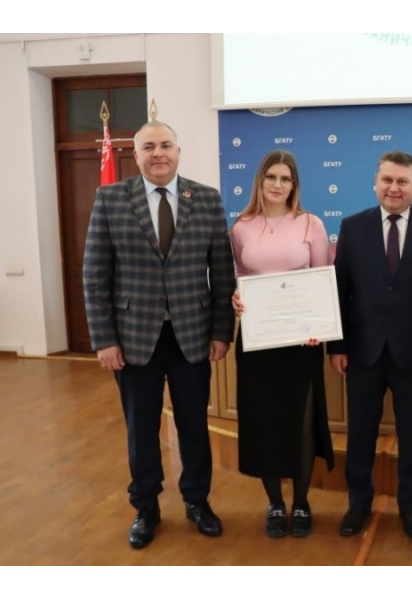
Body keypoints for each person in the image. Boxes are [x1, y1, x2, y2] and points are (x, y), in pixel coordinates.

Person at [83, 120, 236, 549]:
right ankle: (146, 506)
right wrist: (104, 339)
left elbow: (222, 272)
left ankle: (197, 501)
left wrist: (221, 331)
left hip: (193, 335)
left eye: (165, 145)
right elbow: (95, 275)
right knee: (141, 428)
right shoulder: (111, 199)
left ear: (178, 151)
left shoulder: (206, 199)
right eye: (148, 147)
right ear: (136, 155)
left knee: (194, 426)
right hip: (133, 338)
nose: (158, 153)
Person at [328, 150, 412, 540]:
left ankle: (410, 506)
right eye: (387, 180)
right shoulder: (352, 227)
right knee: (360, 434)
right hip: (363, 351)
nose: (394, 188)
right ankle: (358, 504)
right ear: (375, 183)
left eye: (402, 181)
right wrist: (337, 346)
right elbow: (340, 291)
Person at [230, 150, 335, 538]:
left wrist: (319, 324)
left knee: (301, 423)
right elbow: (238, 278)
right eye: (271, 177)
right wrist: (236, 298)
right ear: (259, 181)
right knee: (264, 422)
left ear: (294, 185)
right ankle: (275, 503)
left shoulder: (311, 224)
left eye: (285, 179)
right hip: (257, 341)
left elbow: (323, 279)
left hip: (301, 341)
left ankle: (301, 502)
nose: (277, 184)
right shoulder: (240, 227)